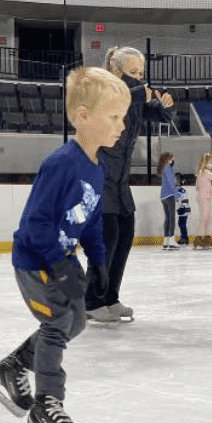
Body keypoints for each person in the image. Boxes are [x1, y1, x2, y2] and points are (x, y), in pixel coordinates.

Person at [0, 66, 130, 423]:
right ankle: (47, 404)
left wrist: (98, 262)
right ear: (83, 117)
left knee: (76, 321)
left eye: (123, 117)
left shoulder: (99, 167)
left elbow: (93, 219)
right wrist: (59, 265)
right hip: (35, 259)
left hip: (62, 258)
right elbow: (35, 223)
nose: (122, 126)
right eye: (113, 117)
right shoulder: (62, 162)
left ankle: (11, 367)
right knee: (59, 320)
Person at [85, 46, 173, 324]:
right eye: (133, 72)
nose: (139, 77)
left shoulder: (133, 98)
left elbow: (158, 114)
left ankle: (110, 298)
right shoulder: (101, 87)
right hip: (99, 173)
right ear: (116, 71)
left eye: (141, 73)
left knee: (124, 234)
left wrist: (167, 106)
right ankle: (91, 301)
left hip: (120, 179)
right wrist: (138, 93)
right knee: (106, 238)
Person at [158, 152, 184, 250]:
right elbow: (171, 185)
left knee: (167, 218)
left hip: (163, 196)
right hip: (169, 196)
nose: (173, 160)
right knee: (171, 218)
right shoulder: (169, 169)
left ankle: (166, 240)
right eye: (172, 159)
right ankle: (171, 240)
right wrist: (178, 195)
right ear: (168, 159)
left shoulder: (163, 169)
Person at [175, 173, 191, 245]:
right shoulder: (178, 189)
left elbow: (182, 199)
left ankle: (184, 239)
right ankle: (184, 238)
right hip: (183, 208)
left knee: (182, 224)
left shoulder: (180, 190)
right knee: (181, 223)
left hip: (184, 209)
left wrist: (182, 207)